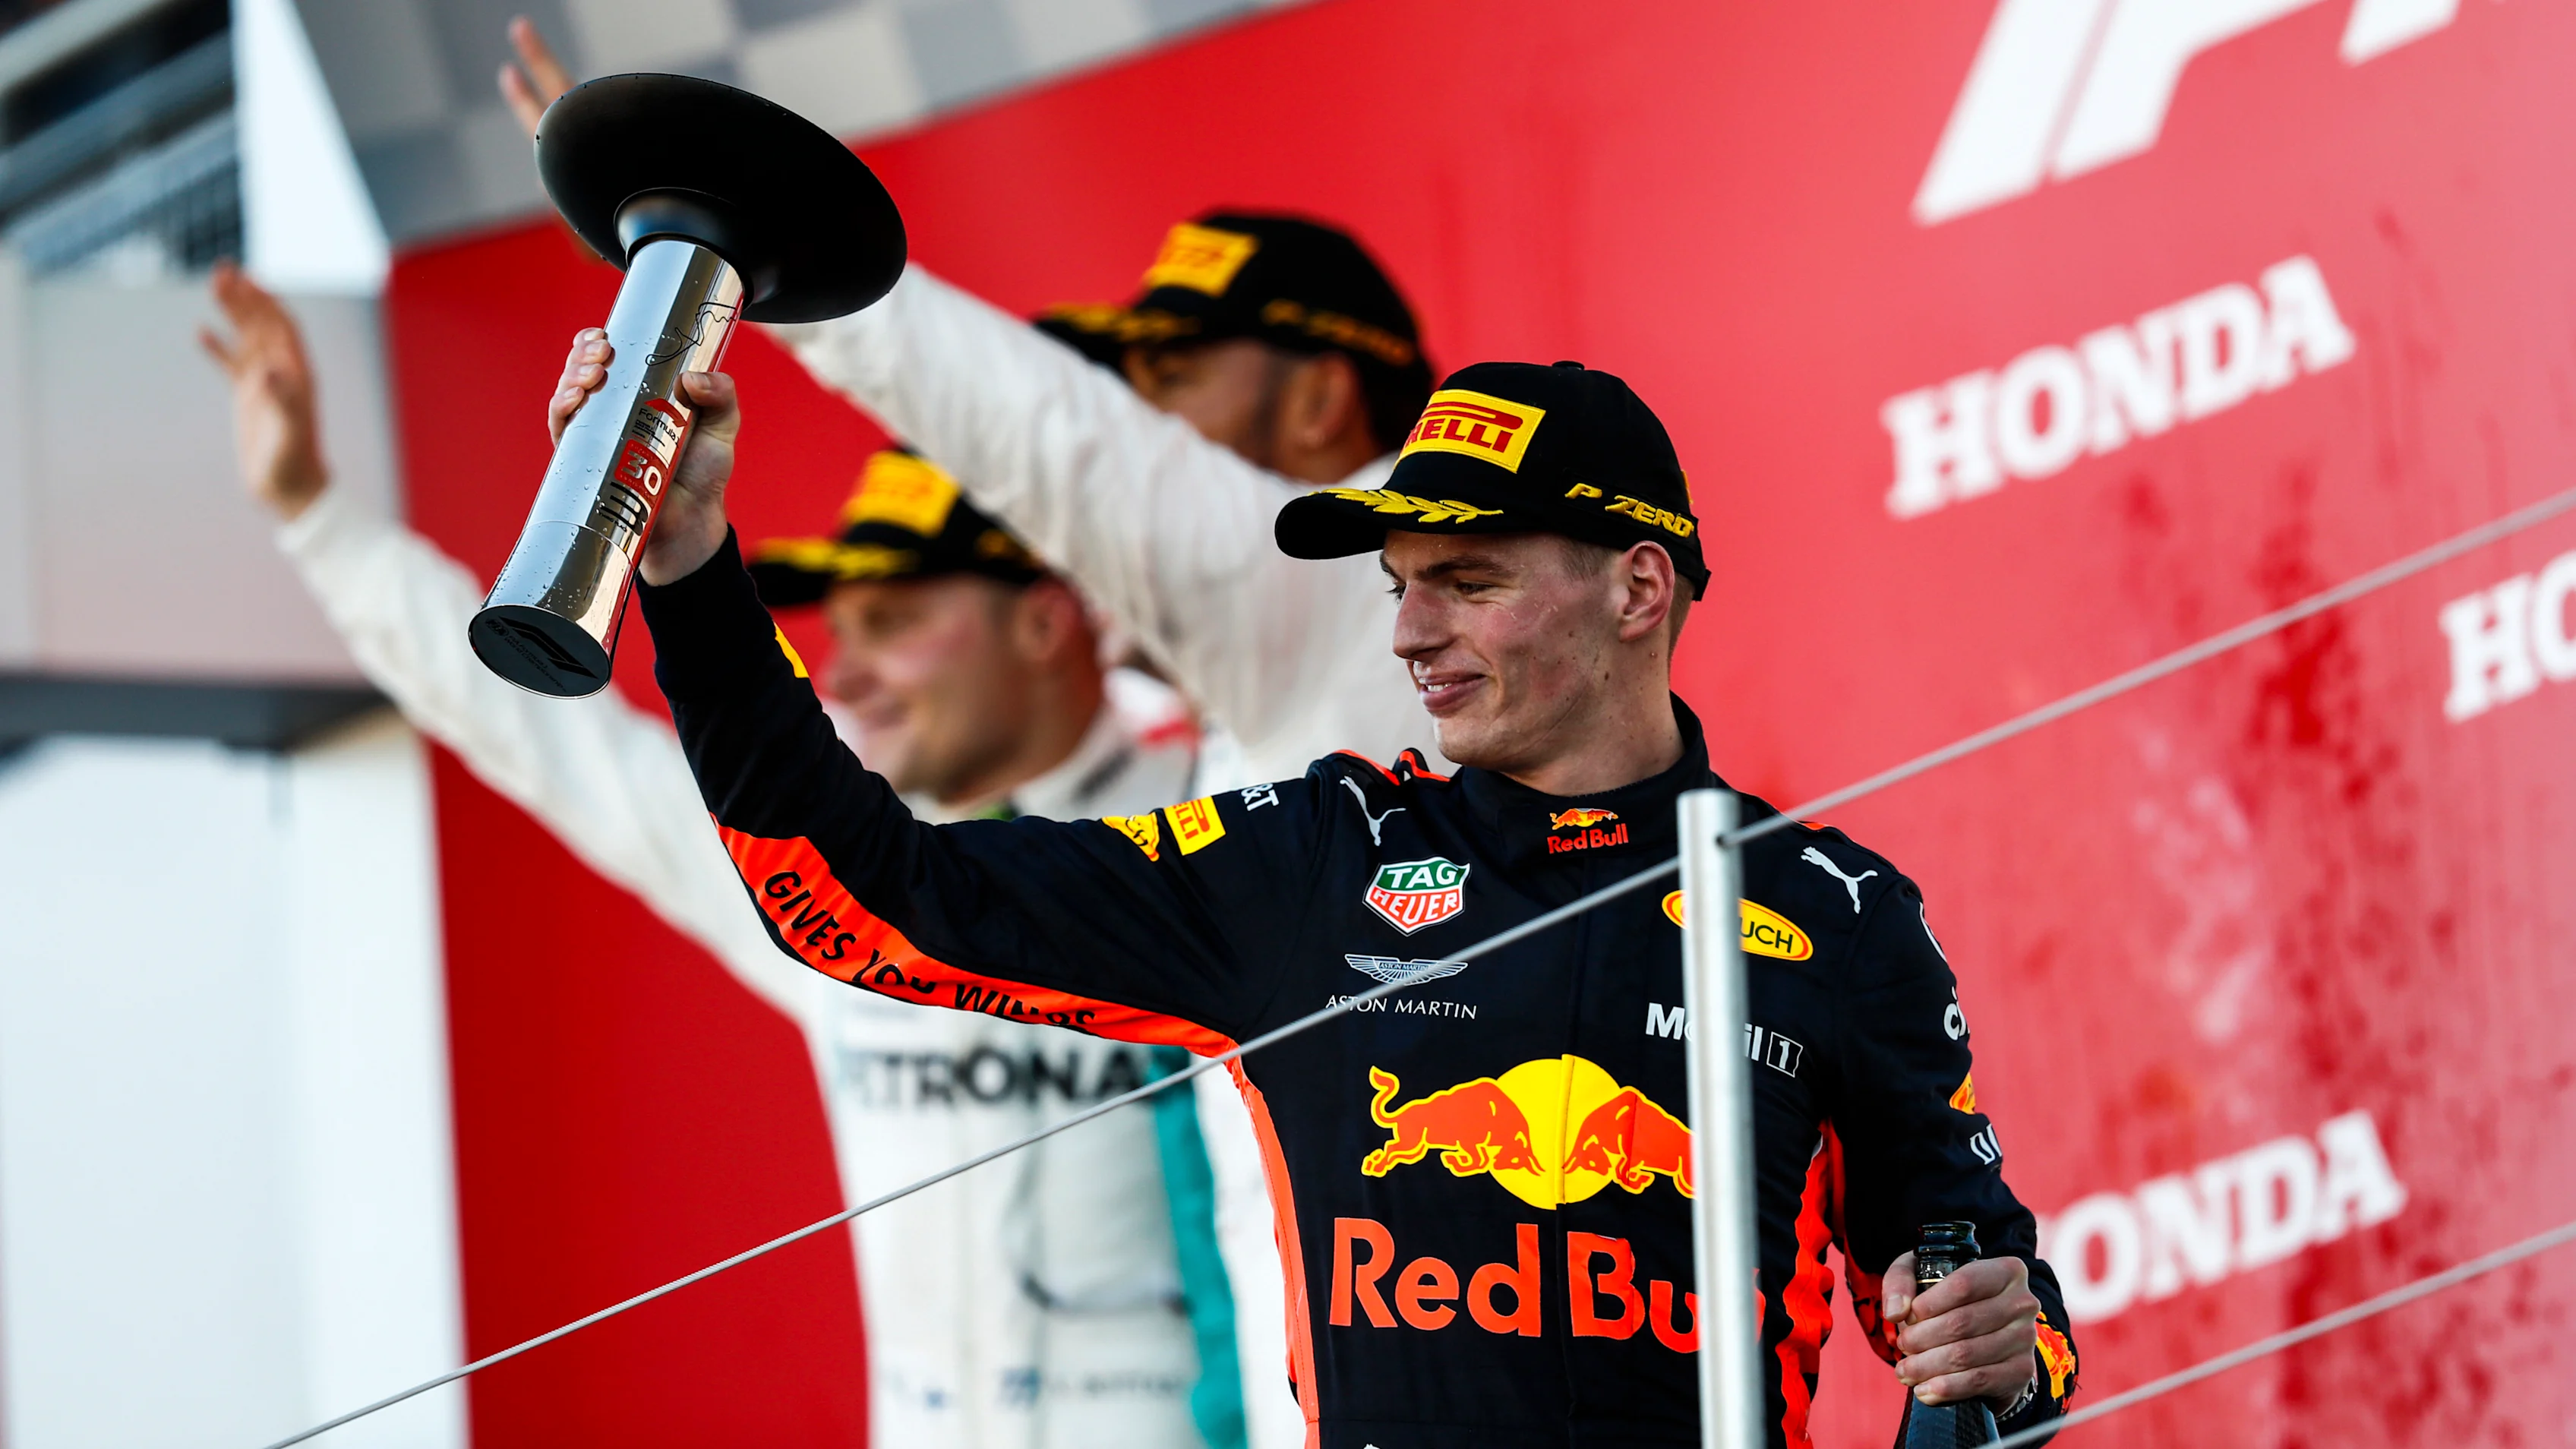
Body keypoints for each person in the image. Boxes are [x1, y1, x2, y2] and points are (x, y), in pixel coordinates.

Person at [579, 336, 2085, 1445]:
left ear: (1638, 589)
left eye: (1469, 581)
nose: (1412, 633)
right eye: (1399, 585)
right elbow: (866, 901)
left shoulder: (1837, 913)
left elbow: (1996, 1328)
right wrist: (696, 575)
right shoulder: (1315, 858)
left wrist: (1998, 1346)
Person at [500, 30, 1437, 1438]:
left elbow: (1054, 444)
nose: (1139, 418)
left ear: (1320, 398)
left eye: (1170, 375)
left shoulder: (1356, 588)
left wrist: (745, 242)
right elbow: (888, 890)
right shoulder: (1265, 727)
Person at [200, 265, 1240, 1449]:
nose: (842, 671)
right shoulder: (829, 868)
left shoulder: (1221, 822)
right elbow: (546, 736)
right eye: (835, 629)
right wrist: (317, 522)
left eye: (892, 621)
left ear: (1047, 619)